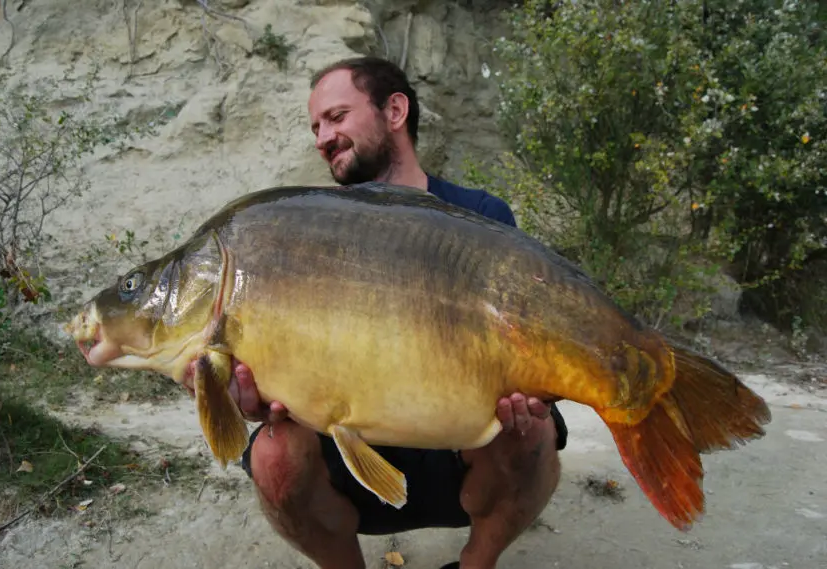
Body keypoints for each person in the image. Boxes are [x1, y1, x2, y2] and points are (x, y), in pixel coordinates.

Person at [219, 56, 568, 569]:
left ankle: (476, 563)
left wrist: (526, 393)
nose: (322, 137)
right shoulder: (307, 231)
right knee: (272, 452)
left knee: (535, 430)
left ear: (396, 110)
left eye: (336, 117)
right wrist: (252, 390)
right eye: (315, 126)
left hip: (463, 457)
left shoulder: (483, 217)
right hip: (347, 464)